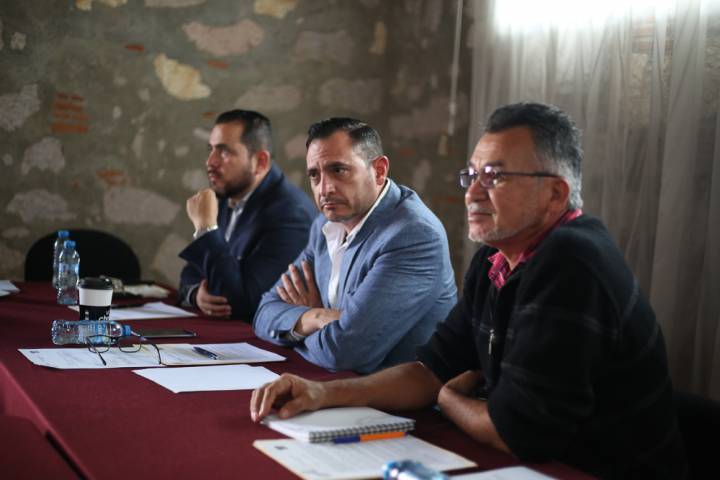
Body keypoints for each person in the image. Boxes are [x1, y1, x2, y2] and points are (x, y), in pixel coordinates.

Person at [249, 103, 687, 479]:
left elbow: (512, 432)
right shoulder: (493, 260)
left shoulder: (571, 261)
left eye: (494, 176)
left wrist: (445, 395)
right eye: (472, 175)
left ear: (555, 194)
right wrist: (321, 393)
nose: (473, 193)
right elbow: (428, 369)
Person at [252, 117, 457, 374]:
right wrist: (316, 316)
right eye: (314, 175)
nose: (324, 189)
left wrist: (297, 329)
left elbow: (344, 353)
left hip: (398, 397)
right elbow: (263, 312)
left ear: (379, 171)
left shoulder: (413, 235)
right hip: (339, 387)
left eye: (338, 170)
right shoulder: (325, 224)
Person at [179, 109, 316, 320]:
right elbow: (190, 274)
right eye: (211, 150)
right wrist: (197, 294)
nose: (210, 162)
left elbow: (242, 304)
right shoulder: (227, 196)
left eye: (224, 152)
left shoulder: (290, 215)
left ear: (260, 161)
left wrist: (205, 228)